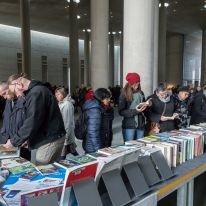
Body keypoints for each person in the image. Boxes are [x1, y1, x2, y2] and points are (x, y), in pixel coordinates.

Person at [3, 74, 65, 165]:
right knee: (51, 171)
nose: (17, 96)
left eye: (15, 92)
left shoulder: (36, 93)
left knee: (40, 170)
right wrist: (27, 139)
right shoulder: (35, 91)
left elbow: (32, 121)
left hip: (50, 139)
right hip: (51, 137)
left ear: (18, 84)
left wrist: (13, 141)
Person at [0, 81, 30, 160]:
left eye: (4, 93)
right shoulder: (8, 101)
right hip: (8, 142)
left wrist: (26, 139)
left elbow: (28, 123)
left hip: (22, 142)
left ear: (10, 88)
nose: (4, 97)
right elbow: (6, 121)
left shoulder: (24, 100)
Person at [118, 72, 147, 142]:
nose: (138, 84)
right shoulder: (124, 94)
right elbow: (121, 111)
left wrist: (148, 104)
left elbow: (144, 107)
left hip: (140, 124)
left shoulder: (141, 93)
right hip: (129, 126)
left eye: (138, 82)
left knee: (140, 146)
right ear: (131, 83)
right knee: (129, 147)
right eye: (136, 82)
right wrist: (136, 111)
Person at [55, 87, 78, 159]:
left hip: (65, 134)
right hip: (64, 133)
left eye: (58, 94)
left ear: (63, 94)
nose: (56, 96)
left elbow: (67, 122)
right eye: (56, 94)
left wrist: (65, 136)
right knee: (72, 151)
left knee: (62, 155)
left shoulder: (66, 105)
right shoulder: (62, 103)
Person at [82, 87, 102, 153]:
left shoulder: (96, 107)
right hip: (92, 146)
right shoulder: (95, 111)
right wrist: (98, 149)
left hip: (90, 143)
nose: (109, 100)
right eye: (107, 98)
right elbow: (93, 132)